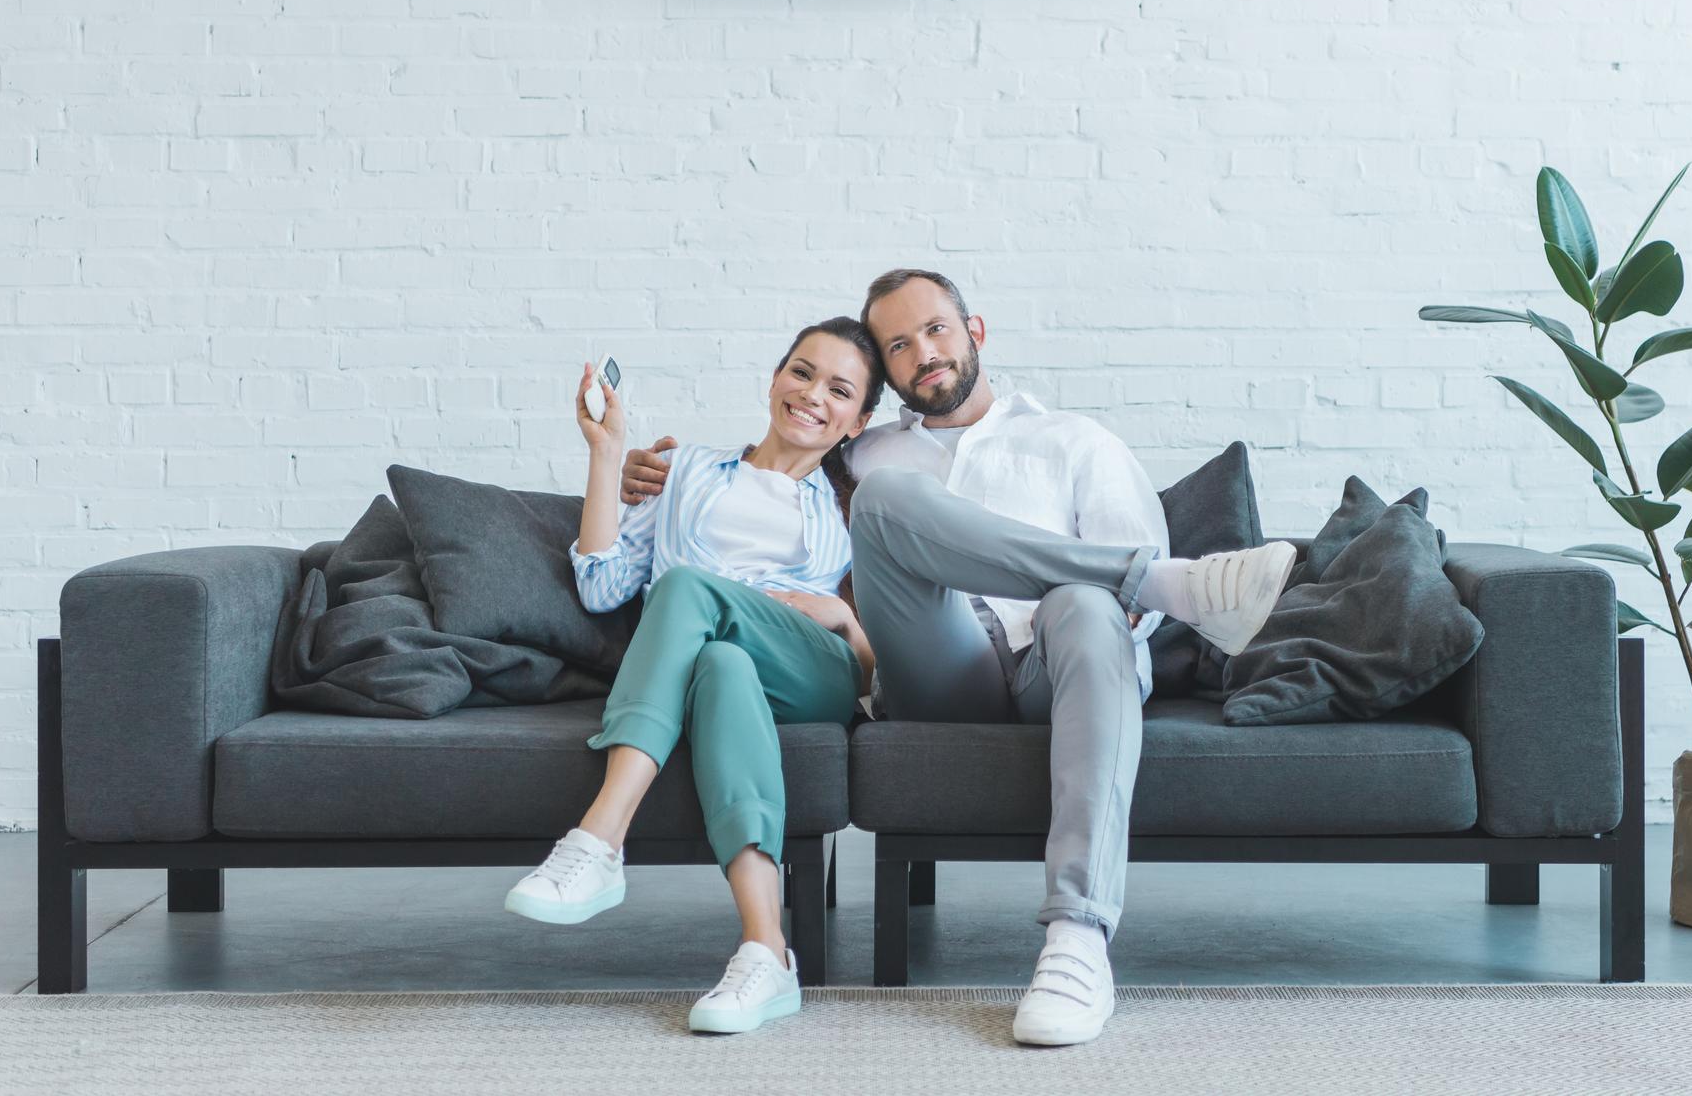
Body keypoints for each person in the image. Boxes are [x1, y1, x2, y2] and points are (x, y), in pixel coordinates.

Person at [620, 271, 1295, 1046]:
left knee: (1086, 601)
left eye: (936, 330)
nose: (923, 353)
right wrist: (654, 475)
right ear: (885, 376)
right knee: (886, 500)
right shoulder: (867, 454)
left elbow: (1127, 626)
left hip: (1057, 662)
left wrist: (1100, 593)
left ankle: (1077, 939)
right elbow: (776, 479)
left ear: (976, 332)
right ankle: (1167, 581)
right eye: (899, 345)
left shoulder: (1075, 440)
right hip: (939, 669)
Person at [504, 316, 885, 1036]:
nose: (811, 395)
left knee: (685, 588)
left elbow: (883, 664)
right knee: (719, 660)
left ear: (859, 420)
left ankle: (600, 836)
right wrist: (608, 455)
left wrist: (840, 612)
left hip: (815, 666)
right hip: (726, 661)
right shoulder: (686, 470)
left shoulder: (857, 508)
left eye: (838, 390)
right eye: (801, 372)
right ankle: (766, 949)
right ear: (775, 377)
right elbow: (602, 583)